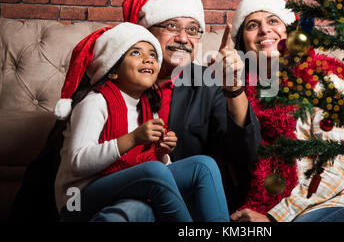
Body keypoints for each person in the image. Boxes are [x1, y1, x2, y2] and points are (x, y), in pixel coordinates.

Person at [228, 0, 344, 222]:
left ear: (291, 32)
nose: (264, 30)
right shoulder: (238, 98)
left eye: (273, 21)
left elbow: (337, 168)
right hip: (276, 209)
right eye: (253, 25)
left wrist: (273, 218)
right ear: (242, 43)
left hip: (341, 200)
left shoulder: (323, 81)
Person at [53, 22, 229, 222]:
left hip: (126, 191)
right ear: (113, 70)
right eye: (136, 53)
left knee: (203, 165)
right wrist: (133, 138)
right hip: (78, 198)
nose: (148, 59)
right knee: (153, 171)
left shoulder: (147, 107)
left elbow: (155, 168)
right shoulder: (95, 102)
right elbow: (77, 163)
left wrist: (161, 152)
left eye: (153, 55)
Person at [119, 0, 261, 215]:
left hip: (187, 206)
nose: (183, 38)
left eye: (193, 29)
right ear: (146, 33)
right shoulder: (116, 77)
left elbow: (245, 156)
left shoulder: (207, 83)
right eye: (172, 26)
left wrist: (234, 87)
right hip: (126, 198)